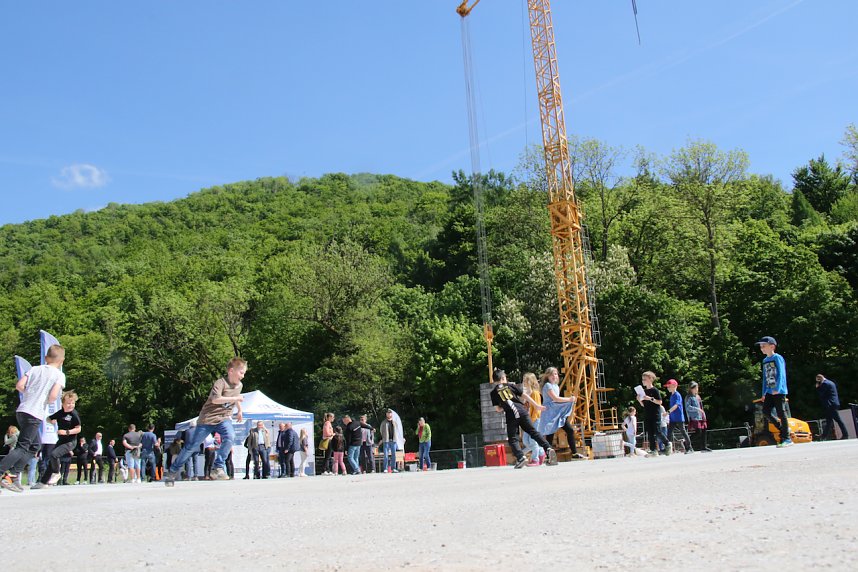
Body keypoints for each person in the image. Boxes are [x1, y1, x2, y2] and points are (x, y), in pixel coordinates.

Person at [164, 357, 246, 482]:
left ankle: (217, 467)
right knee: (191, 447)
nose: (243, 376)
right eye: (241, 372)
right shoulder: (220, 383)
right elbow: (215, 400)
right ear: (231, 371)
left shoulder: (239, 385)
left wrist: (239, 410)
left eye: (244, 373)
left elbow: (236, 397)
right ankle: (173, 470)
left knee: (230, 437)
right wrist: (235, 400)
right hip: (207, 419)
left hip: (223, 418)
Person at [0, 344, 66, 493]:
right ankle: (4, 474)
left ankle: (14, 475)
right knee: (22, 447)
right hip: (34, 413)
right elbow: (53, 396)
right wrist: (48, 401)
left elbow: (19, 385)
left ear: (46, 358)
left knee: (35, 445)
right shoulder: (59, 375)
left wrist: (30, 394)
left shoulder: (35, 369)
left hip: (22, 410)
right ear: (61, 361)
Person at [490, 368, 557, 469]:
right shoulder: (510, 386)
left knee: (513, 439)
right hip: (522, 411)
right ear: (503, 378)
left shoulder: (493, 393)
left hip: (511, 415)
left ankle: (521, 457)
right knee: (533, 432)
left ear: (494, 380)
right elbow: (524, 395)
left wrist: (505, 405)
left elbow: (498, 409)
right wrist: (536, 406)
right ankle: (548, 448)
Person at [31, 390, 80, 489]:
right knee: (51, 459)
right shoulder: (60, 413)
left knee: (54, 455)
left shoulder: (74, 414)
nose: (71, 405)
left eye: (73, 403)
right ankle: (43, 482)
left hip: (70, 442)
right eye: (68, 403)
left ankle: (57, 473)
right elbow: (49, 418)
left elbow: (78, 428)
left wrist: (67, 432)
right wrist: (51, 421)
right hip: (61, 441)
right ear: (62, 404)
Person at [537, 367, 586, 460]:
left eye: (555, 374)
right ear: (547, 376)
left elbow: (557, 400)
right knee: (550, 433)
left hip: (556, 412)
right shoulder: (548, 385)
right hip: (550, 412)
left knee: (569, 430)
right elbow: (555, 399)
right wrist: (569, 399)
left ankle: (574, 453)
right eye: (552, 374)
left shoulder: (555, 386)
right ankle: (548, 455)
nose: (554, 376)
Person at [756, 336, 792, 447]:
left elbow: (781, 373)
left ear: (772, 346)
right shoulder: (765, 360)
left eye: (764, 346)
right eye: (761, 346)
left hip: (779, 390)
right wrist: (763, 392)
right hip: (769, 391)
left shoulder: (777, 358)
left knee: (781, 412)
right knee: (766, 411)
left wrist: (777, 388)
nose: (762, 348)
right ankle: (783, 429)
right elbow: (765, 378)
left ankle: (786, 439)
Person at [637, 371, 671, 457]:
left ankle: (667, 443)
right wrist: (639, 400)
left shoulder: (655, 390)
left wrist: (650, 398)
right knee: (650, 433)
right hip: (647, 414)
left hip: (655, 414)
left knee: (658, 431)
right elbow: (643, 405)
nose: (643, 381)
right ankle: (653, 450)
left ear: (650, 379)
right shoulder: (644, 391)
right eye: (642, 379)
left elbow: (660, 402)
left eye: (645, 379)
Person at [816, 374, 848, 441]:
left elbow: (821, 394)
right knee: (829, 421)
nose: (818, 382)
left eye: (818, 380)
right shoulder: (831, 382)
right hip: (833, 403)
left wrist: (818, 387)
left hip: (830, 404)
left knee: (838, 420)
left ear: (820, 379)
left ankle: (845, 434)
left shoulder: (825, 384)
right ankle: (823, 436)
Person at [521, 373, 544, 466]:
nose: (524, 383)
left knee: (532, 440)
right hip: (528, 420)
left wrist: (532, 420)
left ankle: (535, 459)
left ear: (530, 382)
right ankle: (541, 452)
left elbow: (537, 409)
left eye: (525, 381)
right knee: (525, 440)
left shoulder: (535, 393)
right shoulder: (527, 394)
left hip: (535, 419)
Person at [664, 379, 693, 453]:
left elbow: (676, 405)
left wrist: (668, 412)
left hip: (679, 417)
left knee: (683, 431)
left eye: (669, 386)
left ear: (674, 386)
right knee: (669, 432)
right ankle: (668, 448)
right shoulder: (672, 395)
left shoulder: (677, 395)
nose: (668, 388)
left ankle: (689, 448)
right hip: (673, 418)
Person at [685, 383, 711, 452]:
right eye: (696, 388)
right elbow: (688, 407)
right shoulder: (689, 397)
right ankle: (686, 442)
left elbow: (701, 406)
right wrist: (697, 409)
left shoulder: (698, 396)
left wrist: (703, 414)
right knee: (698, 432)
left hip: (701, 416)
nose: (697, 389)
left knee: (704, 431)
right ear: (691, 389)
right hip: (694, 417)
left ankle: (704, 447)